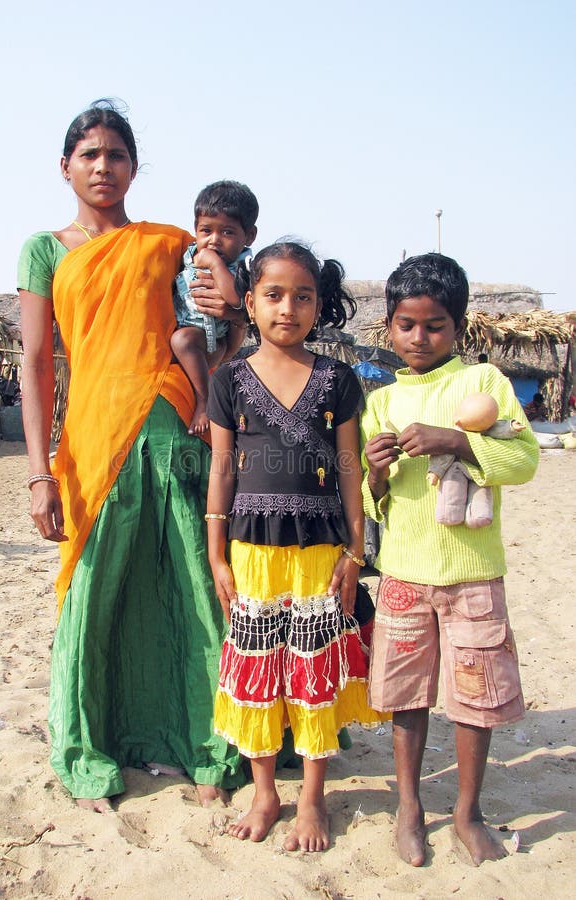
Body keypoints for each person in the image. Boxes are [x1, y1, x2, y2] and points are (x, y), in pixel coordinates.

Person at [17, 99, 246, 813]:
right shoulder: (44, 249)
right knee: (96, 595)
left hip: (174, 435)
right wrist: (38, 471)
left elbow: (223, 329)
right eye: (89, 154)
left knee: (188, 587)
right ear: (65, 166)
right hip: (90, 442)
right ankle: (91, 750)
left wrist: (230, 315)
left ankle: (204, 745)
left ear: (134, 167)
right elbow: (35, 364)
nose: (103, 166)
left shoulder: (171, 242)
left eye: (116, 154)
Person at [206, 241, 389, 852]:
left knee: (313, 674)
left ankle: (312, 799)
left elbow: (347, 467)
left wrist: (354, 549)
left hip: (320, 548)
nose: (288, 308)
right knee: (257, 670)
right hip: (251, 548)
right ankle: (265, 793)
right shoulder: (228, 379)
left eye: (303, 296)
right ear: (249, 301)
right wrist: (215, 553)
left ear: (319, 304)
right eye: (274, 295)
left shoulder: (337, 379)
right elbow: (224, 469)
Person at [361, 253, 538, 867]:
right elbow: (370, 501)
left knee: (474, 694)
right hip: (406, 573)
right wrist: (377, 474)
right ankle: (410, 807)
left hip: (473, 575)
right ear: (389, 327)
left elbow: (524, 461)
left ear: (458, 328)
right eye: (406, 325)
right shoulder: (381, 403)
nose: (419, 337)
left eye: (434, 325)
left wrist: (457, 440)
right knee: (407, 697)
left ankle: (467, 810)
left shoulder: (485, 383)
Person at [171, 181, 258, 435]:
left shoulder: (246, 268)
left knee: (182, 340)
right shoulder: (186, 256)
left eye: (227, 233)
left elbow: (234, 300)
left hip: (217, 340)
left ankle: (204, 400)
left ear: (249, 236)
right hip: (194, 332)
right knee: (180, 340)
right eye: (205, 230)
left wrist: (216, 266)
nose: (214, 241)